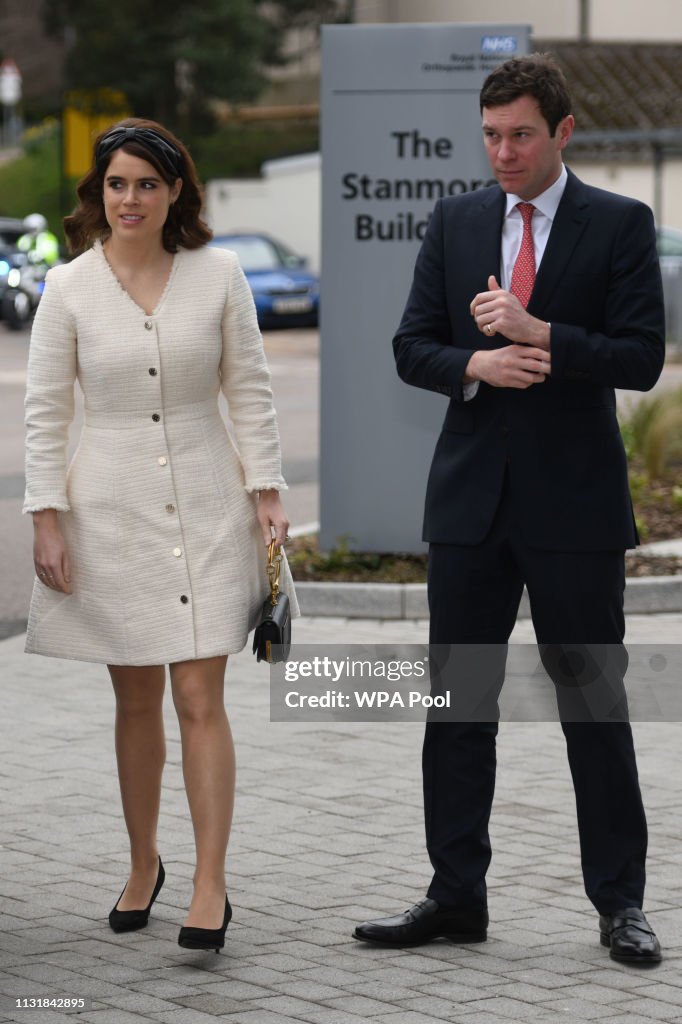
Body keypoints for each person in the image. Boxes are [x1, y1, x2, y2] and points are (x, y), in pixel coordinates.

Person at [353, 55, 664, 964]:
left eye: (520, 134)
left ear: (563, 131)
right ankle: (455, 898)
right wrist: (476, 365)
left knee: (594, 712)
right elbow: (413, 346)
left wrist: (542, 338)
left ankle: (621, 905)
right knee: (456, 711)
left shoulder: (619, 223)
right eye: (490, 135)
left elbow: (642, 356)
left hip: (574, 510)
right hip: (469, 507)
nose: (502, 152)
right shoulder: (456, 221)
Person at [23, 118, 297, 952]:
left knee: (198, 697)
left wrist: (268, 495)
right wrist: (46, 517)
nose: (130, 198)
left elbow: (249, 388)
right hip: (107, 510)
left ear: (176, 191)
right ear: (96, 194)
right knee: (135, 699)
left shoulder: (218, 276)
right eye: (116, 184)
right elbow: (45, 411)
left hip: (211, 507)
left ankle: (210, 882)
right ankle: (144, 862)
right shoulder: (68, 288)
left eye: (147, 183)